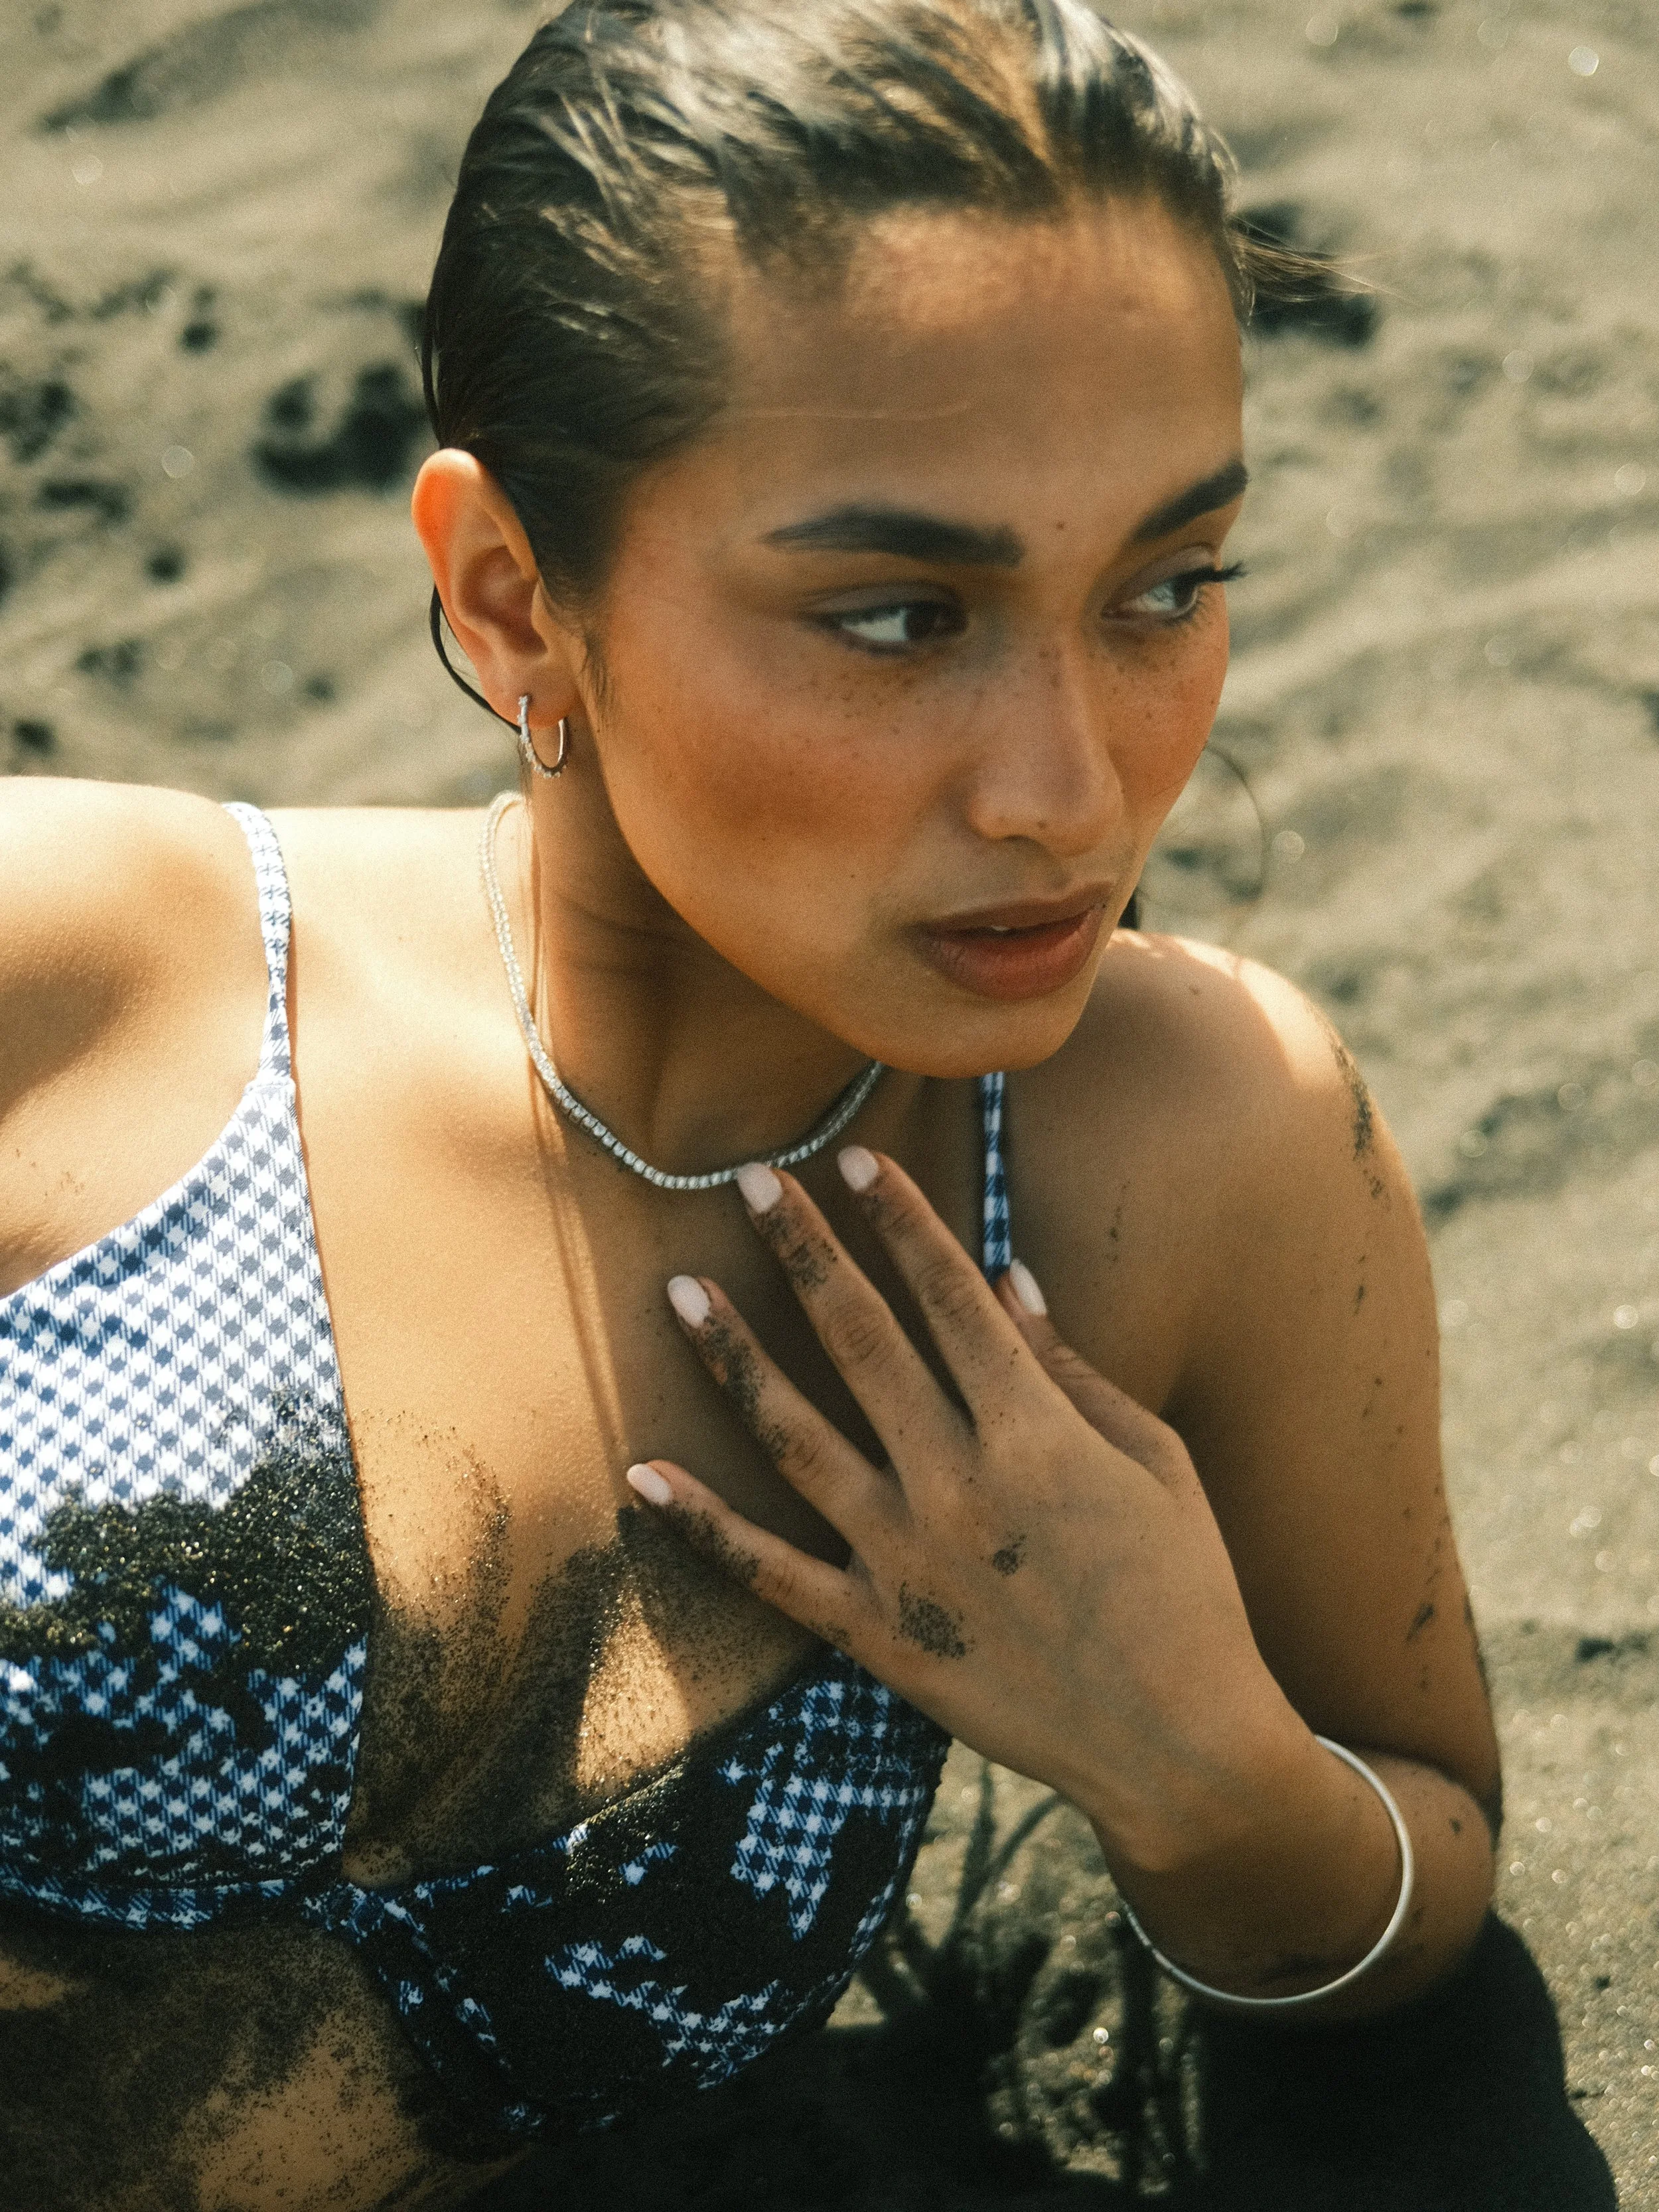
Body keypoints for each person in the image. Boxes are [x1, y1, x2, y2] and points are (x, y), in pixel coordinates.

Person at [0, 3, 1502, 2204]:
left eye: (1166, 587)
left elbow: (1416, 1872)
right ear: (513, 594)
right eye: (900, 616)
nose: (1069, 791)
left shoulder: (1191, 1157)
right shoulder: (91, 973)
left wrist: (1198, 1768)